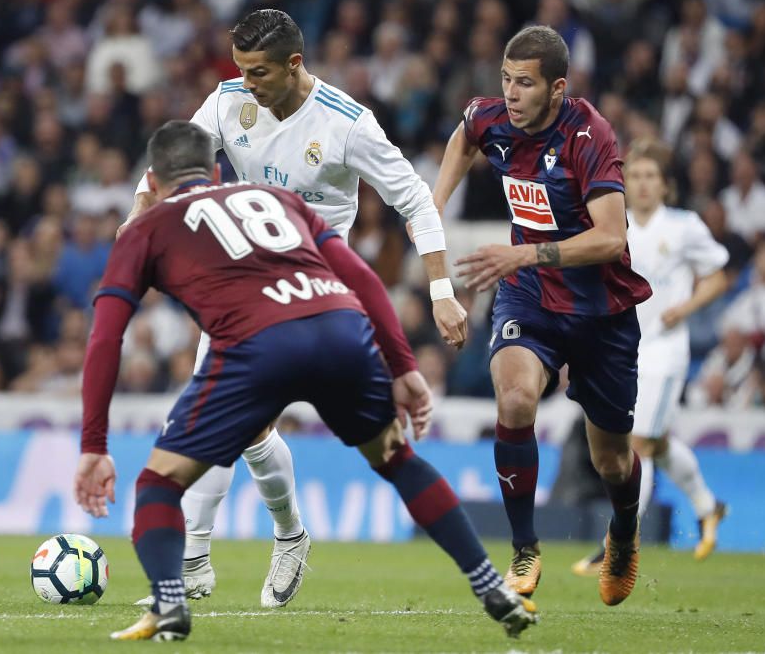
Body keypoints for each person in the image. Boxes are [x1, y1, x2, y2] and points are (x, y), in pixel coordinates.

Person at [74, 121, 537, 641]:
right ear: (216, 171)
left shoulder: (147, 228)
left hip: (257, 343)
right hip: (340, 328)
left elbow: (106, 338)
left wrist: (93, 444)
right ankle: (490, 586)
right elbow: (360, 277)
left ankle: (170, 603)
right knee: (398, 460)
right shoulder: (274, 197)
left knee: (158, 482)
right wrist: (403, 366)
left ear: (153, 182)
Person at [121, 9, 467, 608]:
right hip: (242, 269)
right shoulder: (230, 101)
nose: (246, 82)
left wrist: (440, 292)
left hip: (316, 279)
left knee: (239, 413)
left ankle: (236, 544)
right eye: (240, 69)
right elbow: (169, 167)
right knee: (231, 419)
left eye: (258, 72)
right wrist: (137, 219)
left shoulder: (347, 125)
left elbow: (415, 200)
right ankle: (246, 545)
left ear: (294, 64)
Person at [432, 25, 652, 606]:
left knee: (610, 457)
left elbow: (610, 238)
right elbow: (464, 135)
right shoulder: (493, 118)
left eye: (524, 83)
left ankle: (623, 532)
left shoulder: (590, 135)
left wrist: (524, 250)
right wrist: (432, 206)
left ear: (557, 88)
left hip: (602, 310)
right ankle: (525, 548)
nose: (510, 93)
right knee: (515, 400)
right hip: (529, 293)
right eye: (505, 79)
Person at [571, 138, 730, 576]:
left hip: (664, 348)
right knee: (654, 443)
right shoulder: (612, 226)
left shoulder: (684, 226)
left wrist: (687, 308)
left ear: (665, 185)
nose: (641, 185)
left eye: (650, 177)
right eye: (634, 176)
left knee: (634, 442)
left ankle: (619, 543)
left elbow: (718, 275)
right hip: (623, 347)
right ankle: (708, 505)